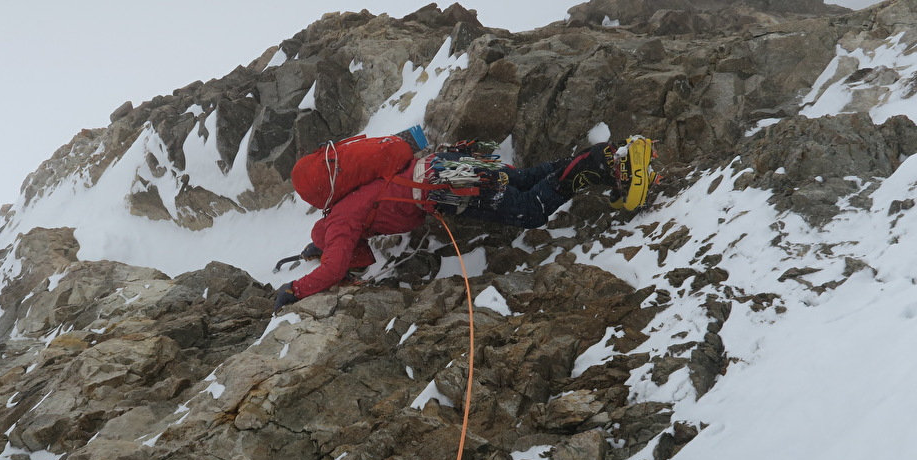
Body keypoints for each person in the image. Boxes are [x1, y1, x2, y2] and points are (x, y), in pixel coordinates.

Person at [273, 137, 653, 310]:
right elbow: (353, 256)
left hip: (447, 187)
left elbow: (339, 264)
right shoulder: (349, 196)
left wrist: (295, 289)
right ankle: (610, 155)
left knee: (530, 210)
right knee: (522, 178)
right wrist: (318, 248)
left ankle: (602, 165)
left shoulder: (339, 222)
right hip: (444, 165)